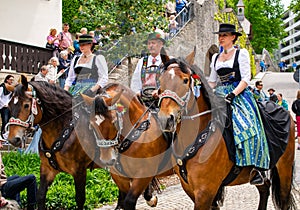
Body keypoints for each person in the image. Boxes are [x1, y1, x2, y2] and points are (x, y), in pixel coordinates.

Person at [208, 23, 270, 186]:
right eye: (220, 35)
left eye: (225, 35)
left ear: (233, 37)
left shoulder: (241, 54)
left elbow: (245, 79)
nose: (221, 38)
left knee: (247, 124)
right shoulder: (215, 57)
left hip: (238, 95)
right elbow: (213, 82)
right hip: (219, 93)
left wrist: (232, 94)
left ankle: (255, 168)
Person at [130, 31, 166, 106]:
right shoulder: (142, 61)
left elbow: (171, 82)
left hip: (161, 101)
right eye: (149, 43)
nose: (150, 46)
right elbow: (135, 80)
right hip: (144, 100)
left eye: (153, 43)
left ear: (161, 44)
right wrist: (137, 91)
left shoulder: (166, 61)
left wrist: (159, 91)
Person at [0, 145, 37, 209]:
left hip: (2, 183)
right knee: (32, 178)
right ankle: (31, 207)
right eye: (0, 143)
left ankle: (17, 204)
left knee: (16, 177)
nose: (2, 145)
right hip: (2, 188)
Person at [0, 75, 14, 140]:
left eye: (12, 80)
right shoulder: (2, 87)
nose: (12, 81)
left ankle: (6, 135)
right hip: (3, 107)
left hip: (8, 107)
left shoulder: (11, 88)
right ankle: (2, 135)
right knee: (5, 121)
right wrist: (4, 104)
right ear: (7, 80)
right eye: (11, 80)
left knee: (9, 121)